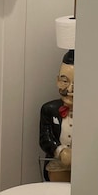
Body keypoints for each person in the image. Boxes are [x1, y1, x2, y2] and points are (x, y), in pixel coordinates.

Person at [39, 48, 74, 182]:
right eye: (64, 81)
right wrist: (60, 151)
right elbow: (45, 139)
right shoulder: (49, 109)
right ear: (57, 80)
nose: (70, 90)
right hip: (58, 164)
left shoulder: (91, 113)